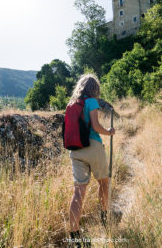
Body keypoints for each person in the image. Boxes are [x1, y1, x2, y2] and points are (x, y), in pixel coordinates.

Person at [67, 73, 115, 247]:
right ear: (94, 88)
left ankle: (74, 235)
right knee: (103, 182)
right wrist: (109, 131)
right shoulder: (91, 101)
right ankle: (104, 215)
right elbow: (95, 126)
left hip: (75, 150)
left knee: (78, 192)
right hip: (93, 147)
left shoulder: (71, 104)